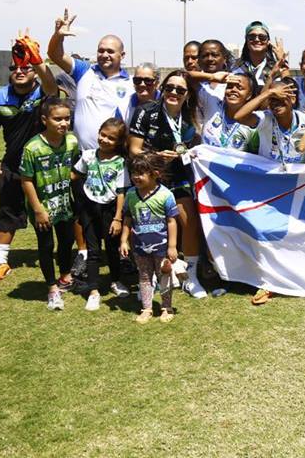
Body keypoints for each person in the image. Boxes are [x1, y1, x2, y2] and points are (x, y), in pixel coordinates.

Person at [0, 34, 59, 283]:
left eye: (25, 68)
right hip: (13, 166)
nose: (19, 71)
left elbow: (51, 84)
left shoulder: (43, 93)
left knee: (56, 212)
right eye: (15, 67)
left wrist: (35, 57)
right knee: (7, 211)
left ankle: (68, 259)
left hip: (46, 168)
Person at [128, 69, 206, 299]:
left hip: (179, 176)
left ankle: (191, 276)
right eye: (169, 88)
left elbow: (195, 146)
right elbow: (133, 149)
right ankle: (149, 275)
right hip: (150, 177)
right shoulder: (145, 112)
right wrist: (155, 157)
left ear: (187, 95)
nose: (173, 92)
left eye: (180, 90)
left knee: (188, 220)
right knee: (148, 227)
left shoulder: (192, 117)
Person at [19, 98, 80, 310]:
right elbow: (26, 180)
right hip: (42, 207)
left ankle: (65, 277)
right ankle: (52, 287)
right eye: (58, 119)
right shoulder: (33, 148)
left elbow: (76, 167)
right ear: (45, 119)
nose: (63, 123)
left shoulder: (72, 142)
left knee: (67, 241)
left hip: (64, 204)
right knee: (46, 245)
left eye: (67, 118)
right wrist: (38, 209)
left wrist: (68, 178)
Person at [46, 7, 134, 150]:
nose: (105, 54)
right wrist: (58, 36)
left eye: (110, 51)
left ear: (122, 55)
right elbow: (55, 55)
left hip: (115, 159)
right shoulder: (84, 71)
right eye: (101, 50)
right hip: (82, 157)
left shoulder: (132, 83)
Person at [72, 117, 129, 308]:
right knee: (93, 250)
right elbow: (75, 174)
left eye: (111, 138)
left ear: (119, 142)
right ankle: (94, 290)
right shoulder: (88, 155)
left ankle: (116, 280)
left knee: (112, 249)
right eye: (102, 135)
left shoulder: (120, 162)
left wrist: (118, 217)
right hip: (89, 209)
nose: (105, 140)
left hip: (111, 210)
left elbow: (121, 191)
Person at [119, 152, 179, 324]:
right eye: (133, 173)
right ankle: (146, 308)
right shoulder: (130, 195)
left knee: (164, 276)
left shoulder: (165, 195)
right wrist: (124, 240)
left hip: (162, 247)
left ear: (155, 174)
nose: (135, 177)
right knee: (144, 276)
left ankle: (166, 308)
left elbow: (171, 221)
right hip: (140, 247)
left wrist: (172, 246)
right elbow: (128, 219)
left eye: (141, 173)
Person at [200, 72, 259, 151]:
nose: (233, 90)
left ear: (249, 95)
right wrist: (212, 77)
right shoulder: (212, 103)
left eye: (239, 88)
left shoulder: (252, 122)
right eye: (230, 86)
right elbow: (188, 77)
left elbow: (255, 157)